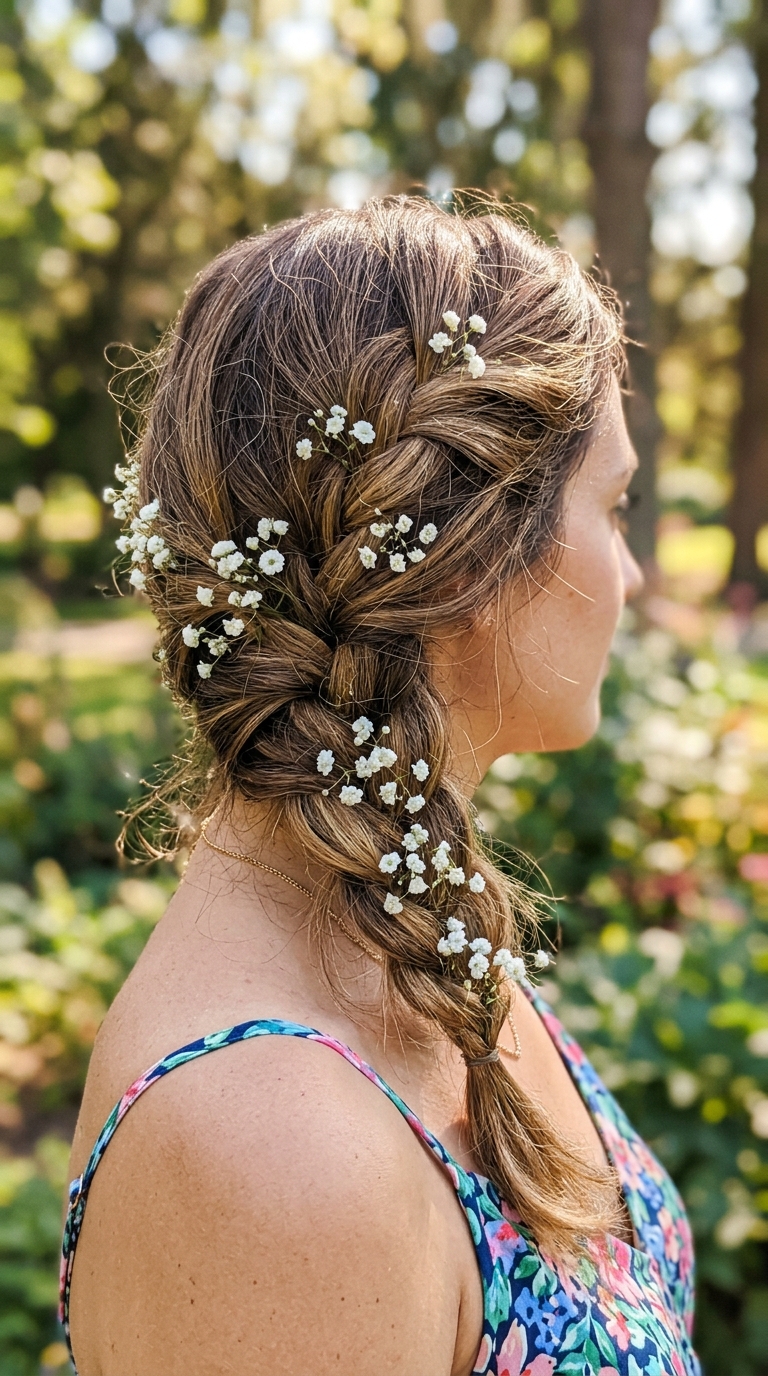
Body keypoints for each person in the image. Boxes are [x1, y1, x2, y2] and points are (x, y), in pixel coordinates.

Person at [59, 197, 699, 1376]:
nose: (634, 571)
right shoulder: (273, 1153)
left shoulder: (403, 916)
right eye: (614, 506)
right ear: (470, 552)